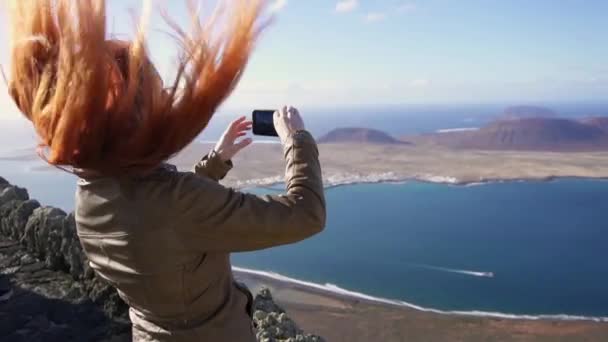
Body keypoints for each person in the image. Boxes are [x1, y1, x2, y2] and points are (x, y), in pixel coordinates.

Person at [6, 1, 326, 341]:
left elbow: (159, 223)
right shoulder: (175, 203)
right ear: (140, 119)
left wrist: (216, 160)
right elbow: (305, 214)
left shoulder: (90, 197)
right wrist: (298, 140)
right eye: (161, 95)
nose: (170, 100)